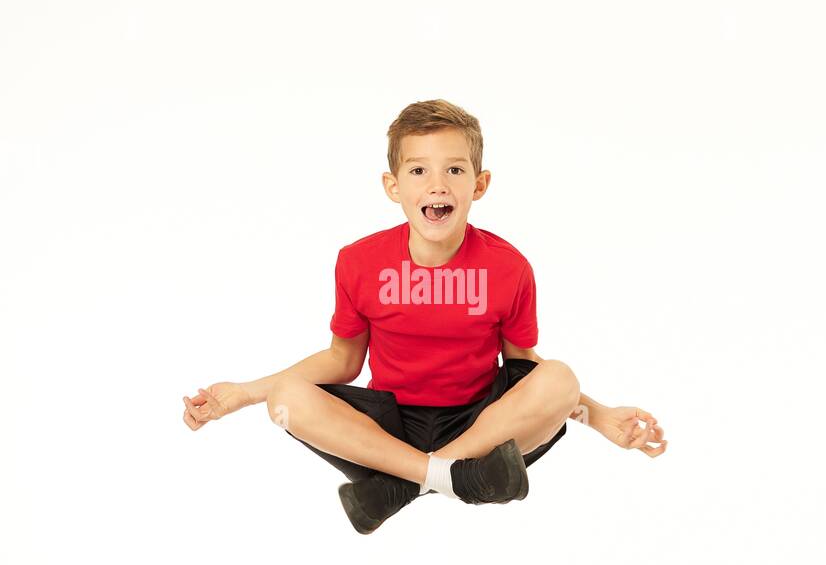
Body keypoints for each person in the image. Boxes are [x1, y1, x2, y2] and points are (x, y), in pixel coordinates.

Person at [182, 99, 667, 533]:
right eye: (418, 172)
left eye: (455, 171)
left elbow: (525, 368)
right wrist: (244, 394)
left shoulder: (509, 266)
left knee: (559, 377)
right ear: (393, 186)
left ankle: (403, 486)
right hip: (387, 430)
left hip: (482, 426)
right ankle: (458, 479)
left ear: (479, 185)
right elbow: (342, 361)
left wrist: (598, 415)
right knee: (286, 399)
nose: (437, 184)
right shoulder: (358, 261)